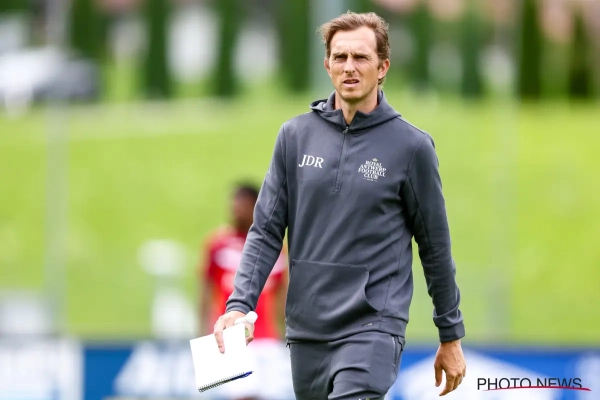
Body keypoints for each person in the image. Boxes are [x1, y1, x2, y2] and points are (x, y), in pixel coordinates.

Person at [213, 11, 467, 400]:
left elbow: (435, 247)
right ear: (327, 64)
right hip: (306, 332)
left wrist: (450, 334)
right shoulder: (294, 137)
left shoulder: (412, 147)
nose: (349, 67)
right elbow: (264, 231)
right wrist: (239, 305)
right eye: (340, 57)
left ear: (382, 68)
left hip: (373, 329)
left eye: (361, 57)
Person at [199, 183, 291, 400]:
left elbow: (283, 298)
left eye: (241, 203)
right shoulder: (218, 244)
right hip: (231, 337)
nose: (235, 208)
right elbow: (205, 294)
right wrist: (204, 334)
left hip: (268, 339)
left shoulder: (276, 249)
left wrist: (288, 335)